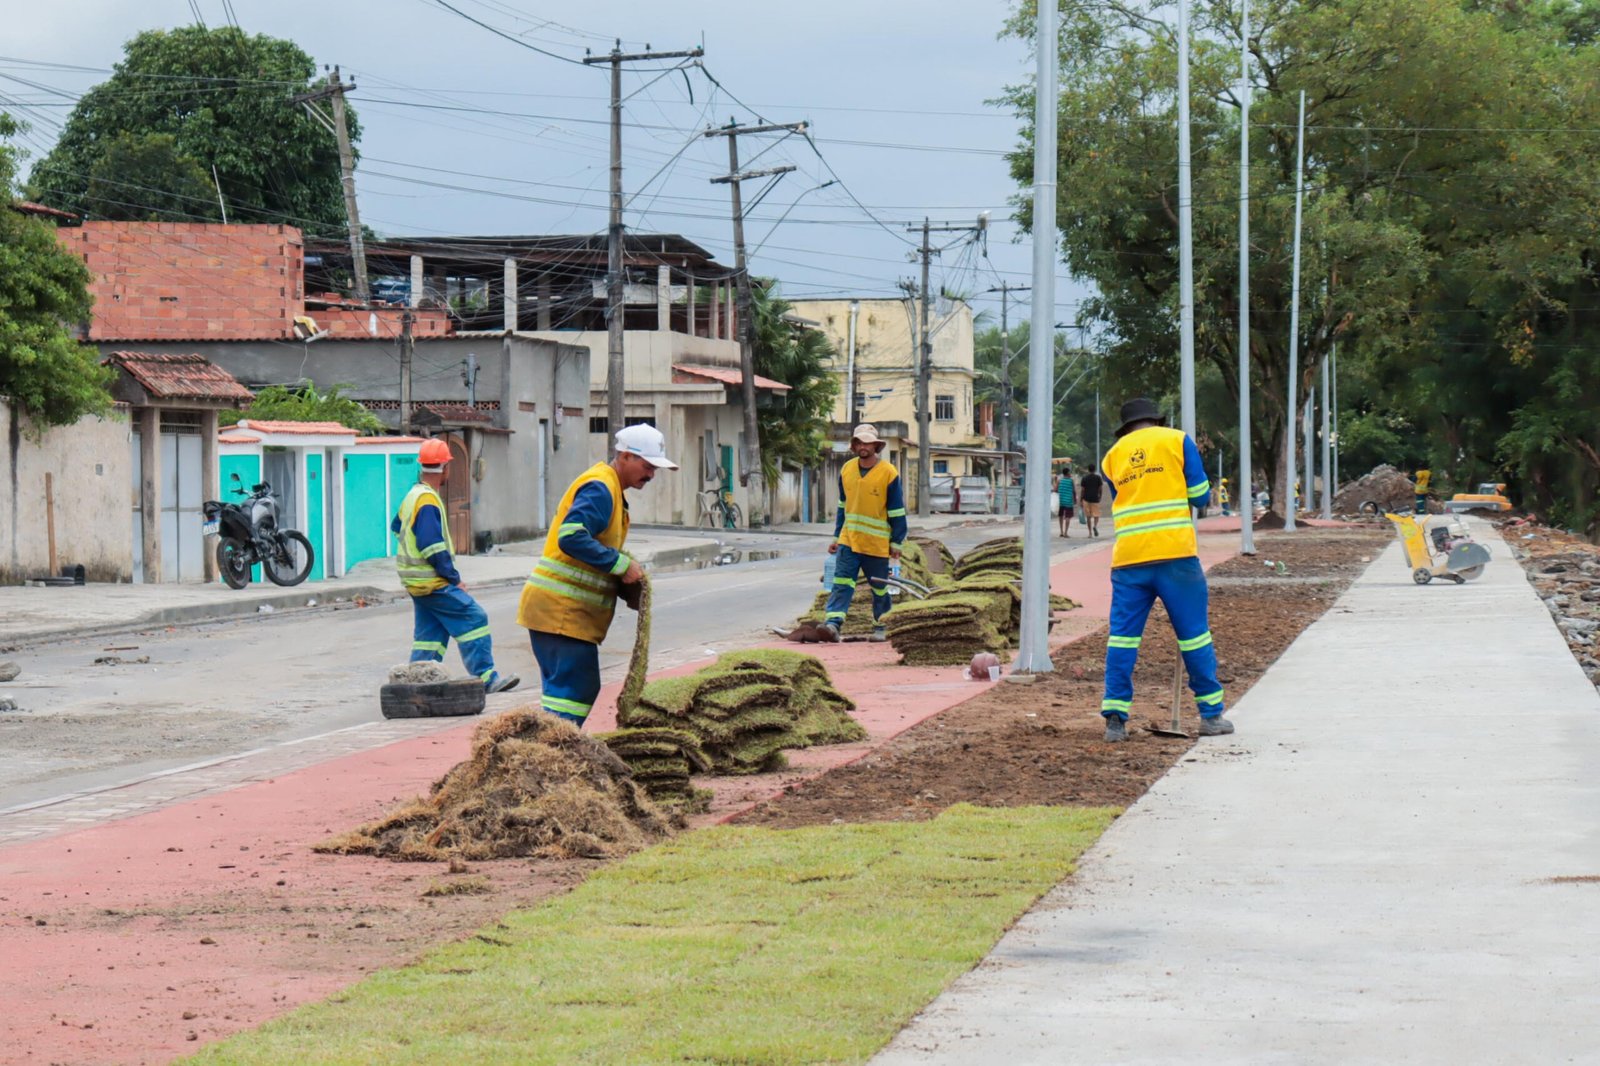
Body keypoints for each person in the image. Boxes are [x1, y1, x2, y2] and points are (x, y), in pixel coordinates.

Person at [516, 423, 677, 726]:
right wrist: (619, 565)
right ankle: (554, 752)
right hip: (560, 612)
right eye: (647, 466)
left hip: (562, 614)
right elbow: (572, 536)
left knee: (567, 690)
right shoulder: (601, 488)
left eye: (655, 469)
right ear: (626, 456)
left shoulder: (610, 490)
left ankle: (549, 749)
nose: (651, 475)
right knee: (573, 690)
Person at [1098, 397, 1231, 742]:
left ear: (1126, 428)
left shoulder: (1112, 456)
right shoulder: (1177, 440)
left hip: (1129, 560)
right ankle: (1211, 716)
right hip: (1176, 557)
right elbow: (1201, 496)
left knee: (1123, 638)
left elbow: (1122, 497)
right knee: (1194, 636)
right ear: (1157, 420)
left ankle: (1115, 719)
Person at [393, 439, 518, 693]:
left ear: (422, 466)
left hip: (416, 583)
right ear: (446, 468)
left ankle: (416, 686)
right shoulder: (427, 500)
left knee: (431, 636)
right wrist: (453, 579)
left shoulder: (413, 496)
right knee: (474, 618)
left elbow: (397, 527)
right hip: (433, 582)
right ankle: (486, 678)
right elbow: (432, 546)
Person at [822, 424, 908, 642]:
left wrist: (896, 542)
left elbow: (897, 510)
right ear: (854, 446)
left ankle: (881, 625)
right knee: (842, 582)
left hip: (876, 542)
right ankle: (833, 624)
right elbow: (843, 505)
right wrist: (836, 537)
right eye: (859, 442)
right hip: (849, 540)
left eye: (867, 442)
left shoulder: (888, 473)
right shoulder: (847, 469)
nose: (863, 446)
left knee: (879, 587)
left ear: (875, 446)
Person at [1079, 466, 1104, 537]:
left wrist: (1081, 499)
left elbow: (1082, 490)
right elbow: (1100, 488)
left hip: (1086, 499)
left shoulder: (1084, 478)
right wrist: (1100, 496)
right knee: (1096, 515)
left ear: (1088, 470)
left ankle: (1090, 533)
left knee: (1088, 517)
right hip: (1095, 498)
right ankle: (1095, 526)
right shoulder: (1098, 478)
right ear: (1094, 469)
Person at [1057, 464, 1076, 537]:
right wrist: (1075, 500)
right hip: (1068, 502)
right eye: (1069, 472)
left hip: (1061, 501)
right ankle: (1066, 533)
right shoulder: (1071, 481)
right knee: (1068, 517)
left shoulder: (1059, 480)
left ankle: (1061, 532)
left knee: (1061, 516)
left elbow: (1055, 489)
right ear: (1068, 473)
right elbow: (1074, 491)